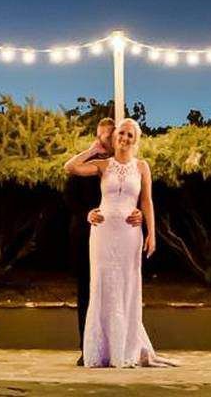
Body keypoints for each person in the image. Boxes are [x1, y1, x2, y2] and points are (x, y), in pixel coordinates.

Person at [64, 117, 173, 368]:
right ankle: (98, 349)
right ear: (115, 137)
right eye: (121, 134)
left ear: (136, 140)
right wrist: (93, 150)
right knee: (101, 286)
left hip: (129, 234)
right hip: (102, 234)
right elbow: (70, 167)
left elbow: (147, 201)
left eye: (129, 135)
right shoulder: (102, 165)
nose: (124, 138)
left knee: (127, 285)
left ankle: (124, 347)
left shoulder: (143, 167)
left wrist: (151, 232)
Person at [63, 118, 121, 360]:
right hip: (86, 235)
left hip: (115, 238)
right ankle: (87, 348)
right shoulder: (86, 165)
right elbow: (69, 193)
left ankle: (115, 345)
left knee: (114, 290)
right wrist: (85, 214)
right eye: (98, 136)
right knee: (87, 291)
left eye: (105, 137)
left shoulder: (121, 164)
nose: (101, 141)